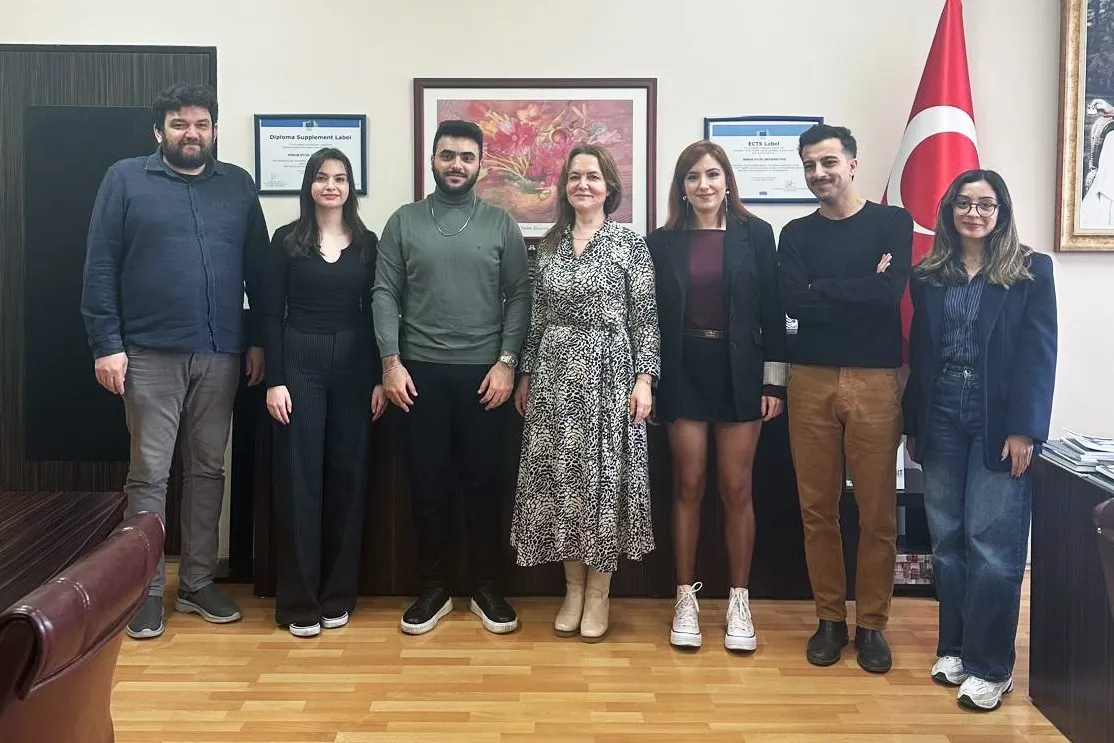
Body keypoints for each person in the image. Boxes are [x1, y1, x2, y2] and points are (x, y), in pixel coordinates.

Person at [80, 82, 268, 639]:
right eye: (180, 124)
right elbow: (99, 265)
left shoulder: (237, 185)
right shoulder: (125, 179)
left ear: (215, 130)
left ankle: (198, 582)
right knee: (149, 474)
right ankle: (143, 590)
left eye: (201, 124)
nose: (192, 133)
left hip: (220, 351)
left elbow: (258, 269)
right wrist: (106, 344)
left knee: (209, 470)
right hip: (148, 352)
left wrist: (258, 340)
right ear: (159, 131)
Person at [903, 169, 1057, 712]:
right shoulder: (929, 274)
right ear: (949, 211)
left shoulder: (1031, 271)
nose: (974, 213)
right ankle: (955, 649)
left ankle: (992, 667)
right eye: (964, 203)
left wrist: (1025, 429)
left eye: (985, 204)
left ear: (1001, 212)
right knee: (947, 541)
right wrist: (914, 425)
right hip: (941, 410)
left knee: (993, 544)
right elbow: (921, 356)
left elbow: (1039, 356)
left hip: (999, 418)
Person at [372, 119, 530, 636]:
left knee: (485, 485)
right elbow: (384, 293)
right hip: (418, 375)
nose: (456, 164)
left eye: (466, 156)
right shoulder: (404, 221)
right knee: (428, 485)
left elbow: (520, 295)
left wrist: (507, 362)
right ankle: (434, 588)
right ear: (433, 160)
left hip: (487, 377)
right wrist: (391, 362)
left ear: (481, 164)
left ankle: (486, 587)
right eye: (447, 155)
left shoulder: (501, 223)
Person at [510, 144, 660, 643]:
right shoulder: (548, 245)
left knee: (603, 483)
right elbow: (537, 317)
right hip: (553, 378)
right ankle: (572, 589)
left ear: (609, 186)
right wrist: (526, 373)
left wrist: (645, 380)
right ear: (565, 187)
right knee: (563, 485)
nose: (583, 184)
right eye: (574, 176)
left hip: (609, 375)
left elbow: (644, 318)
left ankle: (599, 593)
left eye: (592, 176)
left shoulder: (628, 244)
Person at [777, 123, 912, 673]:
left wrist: (823, 291)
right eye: (810, 165)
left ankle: (872, 624)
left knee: (877, 512)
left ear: (852, 165)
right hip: (810, 379)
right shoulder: (795, 233)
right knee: (818, 509)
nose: (819, 173)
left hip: (877, 381)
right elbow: (793, 302)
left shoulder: (892, 222)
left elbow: (889, 293)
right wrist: (860, 285)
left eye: (828, 162)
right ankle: (830, 619)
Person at [646, 140, 788, 651]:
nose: (703, 184)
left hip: (740, 372)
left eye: (712, 174)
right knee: (687, 485)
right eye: (692, 177)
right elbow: (648, 316)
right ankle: (684, 598)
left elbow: (773, 311)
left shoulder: (757, 233)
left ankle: (738, 602)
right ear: (681, 188)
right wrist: (650, 380)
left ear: (727, 180)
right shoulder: (661, 241)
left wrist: (774, 381)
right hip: (683, 371)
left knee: (736, 488)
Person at [260, 148, 387, 638]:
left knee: (347, 478)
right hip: (299, 362)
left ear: (351, 186)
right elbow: (269, 312)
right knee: (300, 480)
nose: (330, 186)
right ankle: (299, 602)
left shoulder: (368, 243)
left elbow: (376, 311)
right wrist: (275, 379)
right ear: (309, 185)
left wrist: (378, 376)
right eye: (321, 177)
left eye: (340, 178)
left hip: (355, 364)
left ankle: (338, 596)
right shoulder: (285, 240)